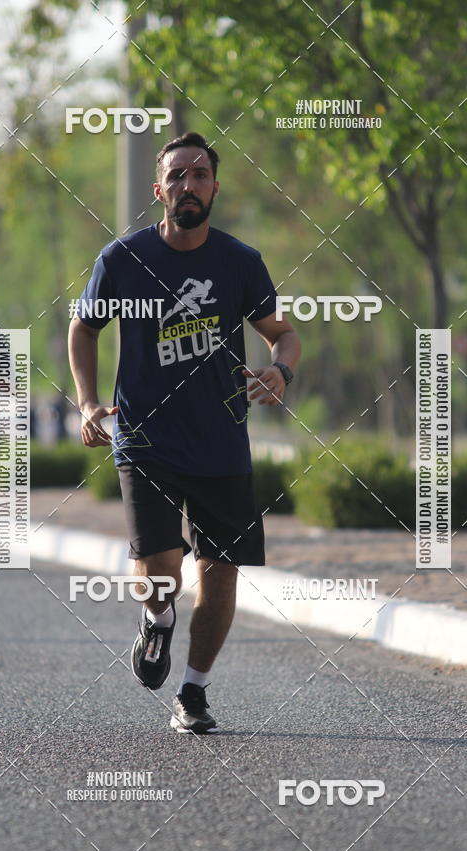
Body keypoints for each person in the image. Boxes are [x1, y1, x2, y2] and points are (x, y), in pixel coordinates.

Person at [69, 132, 301, 734]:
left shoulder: (239, 262)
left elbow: (284, 332)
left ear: (215, 187)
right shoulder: (121, 259)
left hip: (223, 441)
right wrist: (89, 401)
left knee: (221, 573)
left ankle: (194, 692)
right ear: (159, 190)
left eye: (199, 175)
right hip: (145, 439)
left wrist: (281, 368)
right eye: (177, 176)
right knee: (162, 574)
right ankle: (158, 621)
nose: (188, 185)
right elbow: (83, 329)